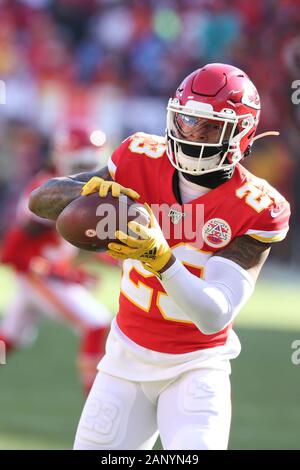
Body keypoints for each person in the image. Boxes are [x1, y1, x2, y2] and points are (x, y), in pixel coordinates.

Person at [29, 63, 291, 450]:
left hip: (195, 367)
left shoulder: (257, 205)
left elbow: (213, 313)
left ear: (241, 133)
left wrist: (160, 258)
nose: (195, 134)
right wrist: (90, 195)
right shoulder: (139, 157)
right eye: (188, 120)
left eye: (211, 126)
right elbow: (41, 200)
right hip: (124, 360)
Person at [0, 125, 112, 394]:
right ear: (63, 157)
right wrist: (58, 272)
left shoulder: (69, 186)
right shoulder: (48, 192)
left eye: (92, 161)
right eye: (82, 162)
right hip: (37, 275)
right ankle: (95, 396)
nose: (89, 168)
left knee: (8, 339)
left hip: (41, 274)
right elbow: (12, 253)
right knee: (97, 322)